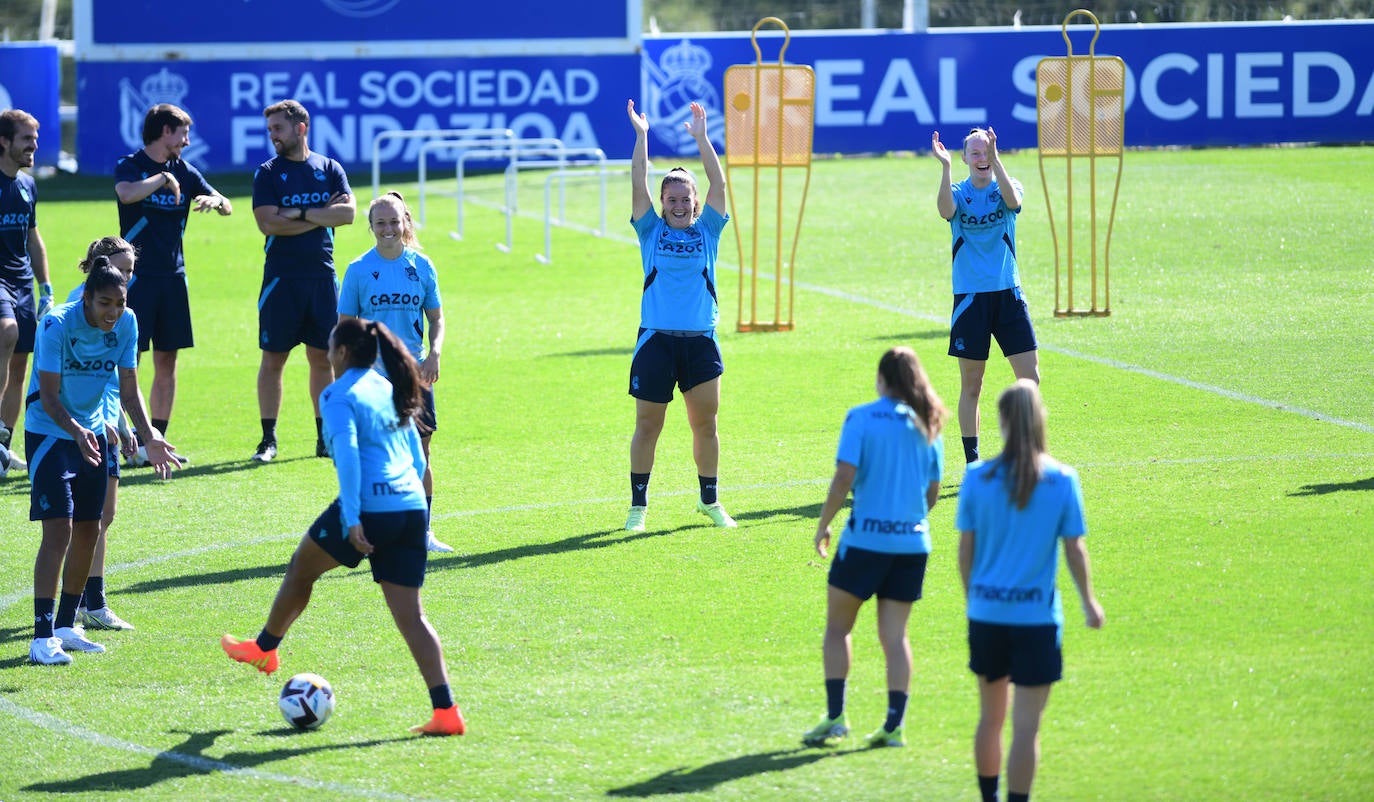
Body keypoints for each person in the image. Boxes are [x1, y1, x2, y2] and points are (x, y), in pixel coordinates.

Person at [221, 318, 465, 736]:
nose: (327, 354)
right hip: (409, 506)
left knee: (302, 567)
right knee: (412, 617)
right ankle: (446, 712)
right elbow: (418, 459)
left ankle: (264, 649)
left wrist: (353, 519)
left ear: (343, 353)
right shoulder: (389, 388)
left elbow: (349, 459)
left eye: (330, 347)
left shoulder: (336, 395)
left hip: (371, 504)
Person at [955, 380, 1104, 802]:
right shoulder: (1061, 480)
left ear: (1000, 422)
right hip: (1036, 620)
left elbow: (965, 552)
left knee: (990, 720)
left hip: (987, 616)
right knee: (1026, 728)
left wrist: (974, 601)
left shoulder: (977, 478)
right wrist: (1088, 601)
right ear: (1040, 419)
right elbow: (1074, 549)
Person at [26, 256, 179, 665]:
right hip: (50, 431)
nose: (113, 312)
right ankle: (41, 636)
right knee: (58, 528)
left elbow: (129, 390)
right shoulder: (56, 324)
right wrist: (77, 432)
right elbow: (49, 396)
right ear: (87, 298)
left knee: (90, 529)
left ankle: (65, 627)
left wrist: (151, 438)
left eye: (119, 302)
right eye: (105, 303)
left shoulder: (127, 322)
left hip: (92, 432)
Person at [804, 346, 948, 749]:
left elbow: (844, 476)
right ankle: (894, 726)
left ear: (882, 379)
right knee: (895, 637)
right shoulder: (929, 423)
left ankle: (835, 717)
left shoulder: (861, 417)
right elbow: (933, 492)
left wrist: (824, 523)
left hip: (865, 542)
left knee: (838, 629)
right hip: (912, 545)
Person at [624, 99, 736, 533]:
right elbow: (637, 183)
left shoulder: (708, 230)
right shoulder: (650, 231)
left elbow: (719, 183)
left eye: (684, 197)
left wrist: (702, 138)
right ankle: (638, 507)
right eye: (670, 198)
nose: (678, 204)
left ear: (694, 200)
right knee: (648, 426)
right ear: (663, 202)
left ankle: (709, 501)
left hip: (701, 341)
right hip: (656, 341)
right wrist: (641, 136)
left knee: (705, 425)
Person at [114, 103, 233, 464]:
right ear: (165, 131)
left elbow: (226, 205)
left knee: (168, 359)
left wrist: (217, 200)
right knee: (127, 361)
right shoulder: (132, 165)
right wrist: (162, 179)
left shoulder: (185, 169)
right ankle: (126, 439)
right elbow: (127, 194)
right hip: (135, 280)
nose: (187, 140)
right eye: (183, 132)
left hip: (173, 277)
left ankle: (156, 439)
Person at [338, 191, 452, 553]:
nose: (388, 228)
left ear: (405, 223)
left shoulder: (421, 266)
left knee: (421, 453)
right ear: (371, 227)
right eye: (381, 223)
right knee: (375, 455)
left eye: (394, 221)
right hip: (372, 379)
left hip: (414, 376)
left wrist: (434, 352)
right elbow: (344, 329)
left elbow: (436, 318)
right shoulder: (358, 270)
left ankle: (423, 532)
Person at [249, 99, 355, 463]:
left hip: (322, 278)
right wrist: (322, 216)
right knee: (273, 358)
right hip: (281, 279)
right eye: (270, 130)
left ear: (301, 128)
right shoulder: (267, 173)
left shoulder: (328, 168)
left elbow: (349, 214)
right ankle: (268, 439)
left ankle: (323, 438)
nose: (272, 136)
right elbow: (268, 223)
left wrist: (302, 212)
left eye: (278, 128)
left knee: (322, 359)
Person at [932, 126, 1040, 465]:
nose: (982, 158)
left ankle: (1026, 450)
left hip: (1009, 294)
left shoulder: (1008, 185)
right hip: (970, 300)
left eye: (986, 151)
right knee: (972, 385)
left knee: (1030, 378)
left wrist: (998, 161)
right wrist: (946, 167)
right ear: (964, 158)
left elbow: (1014, 202)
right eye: (975, 153)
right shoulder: (958, 192)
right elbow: (945, 212)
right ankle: (973, 463)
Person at [64, 237, 141, 631]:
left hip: (109, 419)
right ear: (98, 266)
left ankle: (91, 604)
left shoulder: (121, 311)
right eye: (120, 268)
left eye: (130, 271)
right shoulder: (79, 309)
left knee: (103, 516)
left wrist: (125, 423)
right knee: (84, 520)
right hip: (83, 425)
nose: (127, 277)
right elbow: (77, 376)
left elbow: (119, 376)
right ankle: (76, 605)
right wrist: (104, 420)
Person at [0, 108, 50, 476]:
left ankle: (3, 446)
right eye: (26, 139)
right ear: (4, 142)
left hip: (21, 283)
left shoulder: (27, 185)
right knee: (7, 333)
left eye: (34, 139)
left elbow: (33, 238)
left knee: (20, 365)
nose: (33, 145)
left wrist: (44, 286)